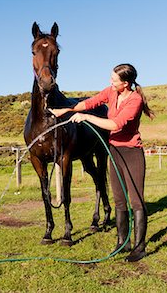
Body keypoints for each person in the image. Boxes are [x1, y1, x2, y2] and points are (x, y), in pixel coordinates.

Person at [49, 63, 154, 262]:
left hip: (131, 153)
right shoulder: (111, 92)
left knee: (136, 201)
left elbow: (115, 124)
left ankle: (139, 248)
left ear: (125, 83)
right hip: (114, 151)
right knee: (119, 200)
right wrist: (66, 111)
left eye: (114, 80)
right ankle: (123, 242)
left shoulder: (135, 100)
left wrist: (86, 118)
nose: (110, 82)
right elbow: (89, 103)